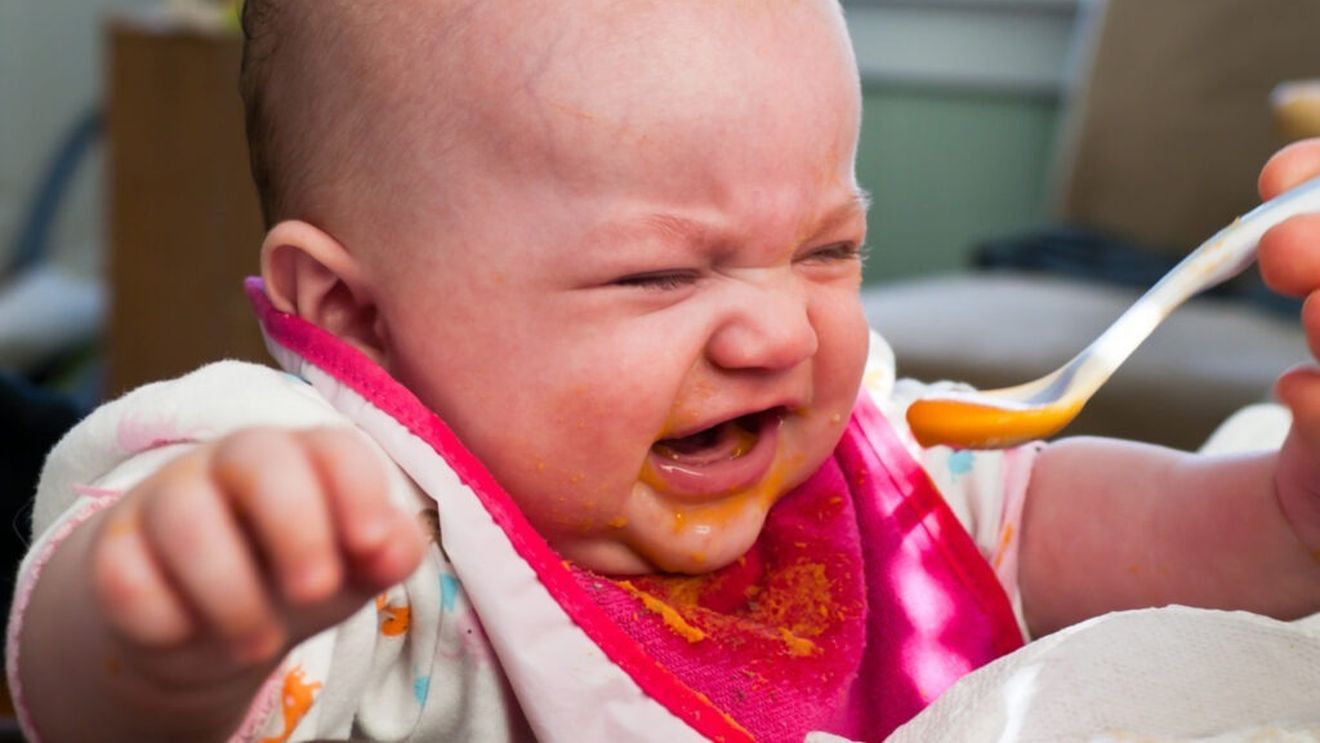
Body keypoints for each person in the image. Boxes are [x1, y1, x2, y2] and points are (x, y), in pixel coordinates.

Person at [9, 1, 1320, 740]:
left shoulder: (836, 465)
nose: (779, 334)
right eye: (659, 276)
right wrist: (169, 631)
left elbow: (1029, 528)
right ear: (353, 317)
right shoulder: (365, 522)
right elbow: (95, 714)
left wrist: (1276, 513)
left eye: (827, 248)